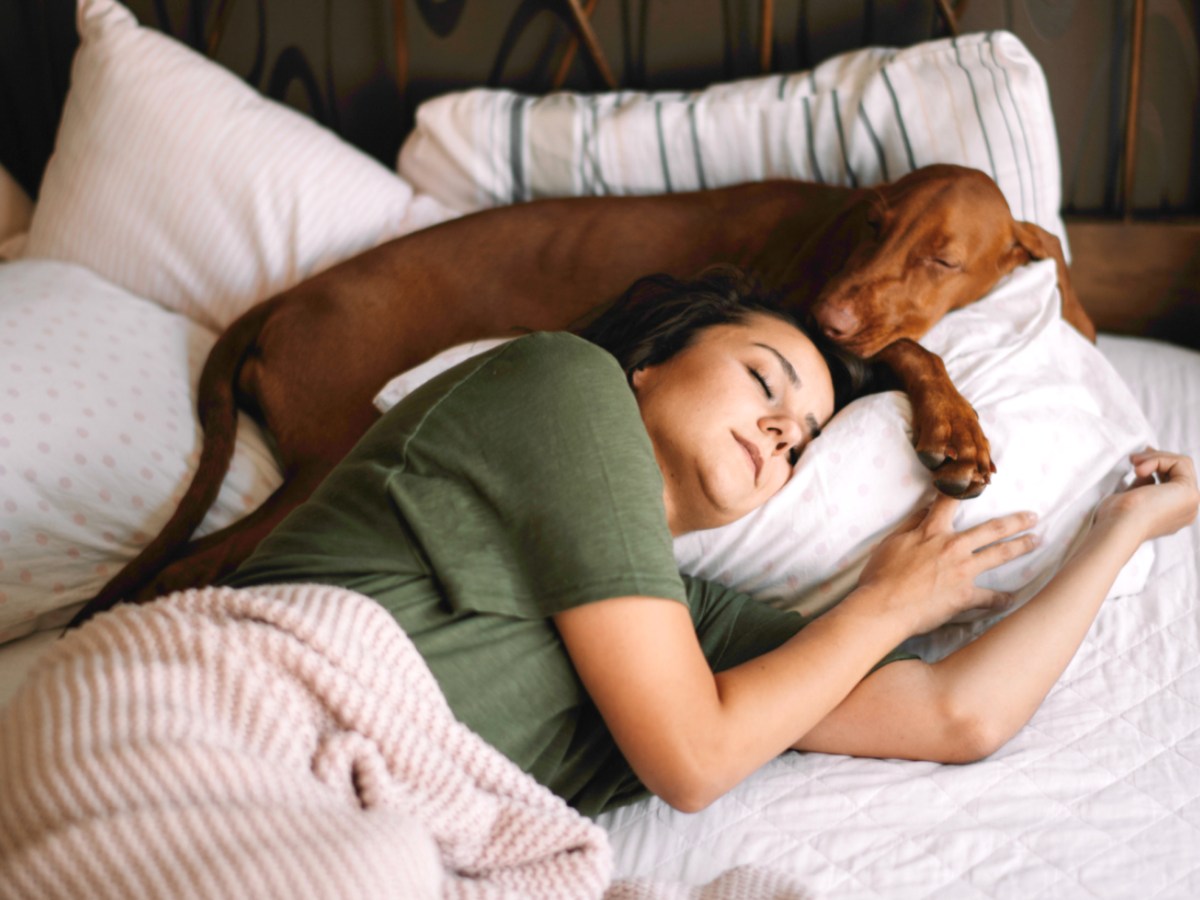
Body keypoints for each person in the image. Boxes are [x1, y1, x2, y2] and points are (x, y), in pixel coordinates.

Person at [224, 264, 1199, 817]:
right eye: (765, 381)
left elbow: (960, 716)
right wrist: (885, 607)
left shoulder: (690, 638)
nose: (784, 432)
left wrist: (1122, 529)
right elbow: (691, 759)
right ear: (650, 363)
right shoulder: (563, 383)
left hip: (353, 837)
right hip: (234, 720)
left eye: (805, 442)